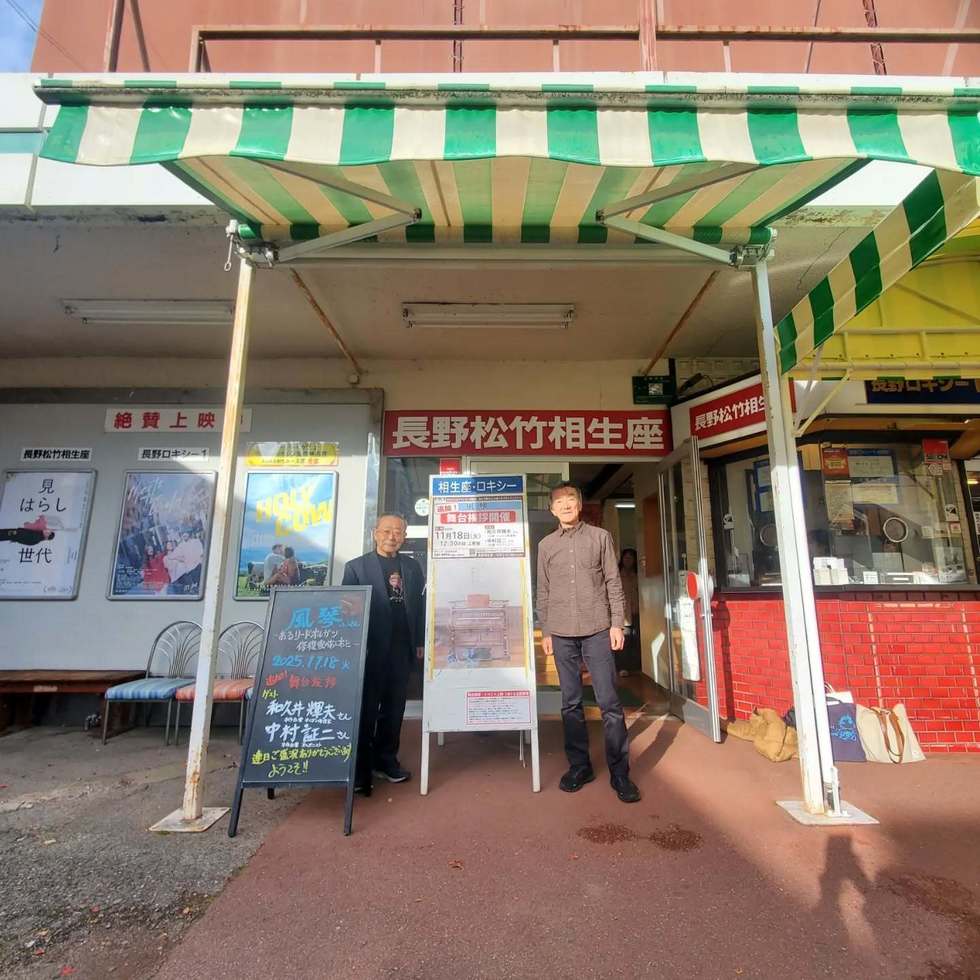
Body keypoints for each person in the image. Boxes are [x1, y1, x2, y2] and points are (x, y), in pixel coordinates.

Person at [537, 482, 640, 804]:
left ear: (579, 505)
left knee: (609, 702)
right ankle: (580, 766)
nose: (566, 505)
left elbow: (613, 581)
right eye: (559, 502)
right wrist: (547, 631)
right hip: (561, 632)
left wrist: (617, 624)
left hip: (597, 629)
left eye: (571, 499)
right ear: (552, 509)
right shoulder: (546, 545)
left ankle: (620, 772)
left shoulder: (600, 537)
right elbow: (543, 590)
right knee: (570, 702)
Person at [342, 513, 425, 795]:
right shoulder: (356, 568)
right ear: (375, 533)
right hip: (370, 649)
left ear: (404, 537)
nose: (392, 536)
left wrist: (419, 641)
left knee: (394, 708)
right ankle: (360, 769)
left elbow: (420, 607)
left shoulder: (412, 567)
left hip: (401, 648)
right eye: (387, 531)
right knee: (366, 709)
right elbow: (347, 610)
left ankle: (387, 760)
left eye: (398, 532)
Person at [618, 547, 642, 676]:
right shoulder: (617, 575)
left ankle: (636, 666)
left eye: (631, 558)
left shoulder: (638, 575)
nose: (628, 560)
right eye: (626, 557)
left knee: (636, 640)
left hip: (638, 611)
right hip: (623, 613)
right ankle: (623, 667)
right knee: (624, 641)